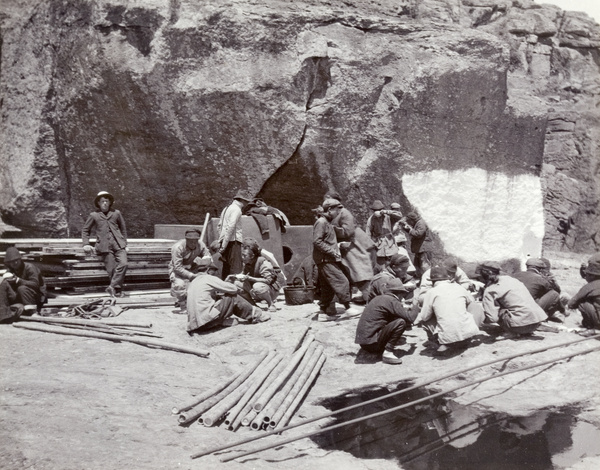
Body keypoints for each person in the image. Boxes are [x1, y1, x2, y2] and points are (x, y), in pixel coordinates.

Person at [313, 199, 361, 322]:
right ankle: (348, 307)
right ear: (329, 210)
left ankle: (323, 313)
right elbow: (317, 241)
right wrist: (332, 251)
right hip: (325, 260)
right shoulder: (321, 222)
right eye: (337, 210)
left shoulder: (327, 223)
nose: (338, 213)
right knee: (342, 281)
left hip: (327, 259)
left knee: (328, 288)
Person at [186, 263, 270, 333]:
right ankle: (256, 315)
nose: (215, 274)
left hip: (196, 326)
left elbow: (215, 295)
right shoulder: (208, 277)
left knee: (220, 299)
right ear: (208, 270)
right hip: (207, 321)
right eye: (214, 272)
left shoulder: (192, 283)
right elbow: (232, 290)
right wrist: (233, 286)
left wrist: (225, 283)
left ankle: (220, 322)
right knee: (232, 297)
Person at [416, 266, 481, 355]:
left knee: (425, 321)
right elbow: (471, 301)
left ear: (433, 281)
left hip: (448, 336)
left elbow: (424, 317)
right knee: (474, 306)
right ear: (447, 278)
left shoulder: (431, 292)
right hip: (468, 332)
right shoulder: (459, 287)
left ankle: (441, 344)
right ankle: (466, 338)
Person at [325, 192, 374, 303]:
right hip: (342, 249)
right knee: (347, 275)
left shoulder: (344, 213)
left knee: (361, 275)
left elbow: (348, 232)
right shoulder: (333, 214)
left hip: (353, 246)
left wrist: (330, 228)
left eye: (328, 201)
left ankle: (370, 302)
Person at [355, 278, 417, 364]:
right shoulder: (391, 300)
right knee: (401, 322)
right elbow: (410, 318)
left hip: (364, 343)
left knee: (395, 319)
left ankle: (385, 345)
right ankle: (388, 353)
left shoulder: (380, 298)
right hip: (372, 345)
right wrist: (416, 306)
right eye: (402, 293)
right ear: (399, 293)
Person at [479, 261, 547, 336]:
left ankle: (512, 331)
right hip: (536, 322)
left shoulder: (490, 290)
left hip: (520, 327)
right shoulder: (512, 280)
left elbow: (493, 319)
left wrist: (482, 318)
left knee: (497, 310)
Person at [82, 191, 128, 297]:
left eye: (107, 201)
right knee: (111, 269)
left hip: (119, 244)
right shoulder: (94, 215)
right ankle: (117, 290)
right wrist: (85, 244)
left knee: (124, 264)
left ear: (110, 202)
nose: (105, 203)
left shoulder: (116, 213)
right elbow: (85, 230)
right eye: (102, 201)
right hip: (104, 246)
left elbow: (123, 229)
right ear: (98, 203)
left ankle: (111, 287)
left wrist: (125, 244)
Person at [168, 229, 212, 312]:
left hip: (192, 267)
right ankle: (183, 306)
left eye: (195, 241)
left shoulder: (200, 245)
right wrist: (191, 276)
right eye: (190, 241)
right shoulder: (178, 248)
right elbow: (177, 267)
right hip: (177, 268)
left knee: (198, 285)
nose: (193, 243)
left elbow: (208, 256)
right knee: (179, 285)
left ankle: (196, 304)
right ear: (186, 240)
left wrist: (206, 265)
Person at [234, 237, 281, 312]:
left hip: (270, 290)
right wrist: (237, 277)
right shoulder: (247, 263)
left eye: (244, 256)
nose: (242, 258)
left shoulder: (263, 262)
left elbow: (269, 280)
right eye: (242, 255)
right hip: (255, 289)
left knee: (257, 286)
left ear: (252, 256)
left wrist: (251, 279)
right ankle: (253, 305)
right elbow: (243, 273)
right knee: (236, 284)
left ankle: (270, 304)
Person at [1, 247, 46, 321]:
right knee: (3, 284)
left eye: (16, 260)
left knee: (21, 288)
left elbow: (36, 285)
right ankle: (4, 312)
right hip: (20, 296)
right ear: (8, 263)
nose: (15, 263)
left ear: (20, 259)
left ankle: (33, 312)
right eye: (12, 261)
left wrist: (18, 280)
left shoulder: (29, 267)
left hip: (36, 296)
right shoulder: (10, 270)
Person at [217, 190, 252, 280]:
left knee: (226, 267)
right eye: (246, 201)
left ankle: (224, 288)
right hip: (234, 242)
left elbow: (219, 226)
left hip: (225, 241)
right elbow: (231, 227)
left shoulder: (226, 208)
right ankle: (233, 290)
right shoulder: (237, 210)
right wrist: (224, 245)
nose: (247, 203)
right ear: (242, 200)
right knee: (236, 268)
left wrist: (221, 242)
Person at [418, 258, 482, 305]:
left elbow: (466, 282)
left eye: (453, 273)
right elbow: (422, 297)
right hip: (437, 300)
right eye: (448, 272)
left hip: (454, 297)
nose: (451, 275)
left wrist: (456, 290)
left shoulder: (456, 270)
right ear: (441, 268)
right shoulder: (428, 274)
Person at [567, 253, 600, 330]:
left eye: (587, 274)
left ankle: (592, 328)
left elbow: (571, 304)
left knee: (583, 303)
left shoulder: (590, 286)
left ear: (593, 275)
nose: (585, 277)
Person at [365, 200, 398, 269]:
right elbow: (368, 233)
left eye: (379, 210)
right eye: (375, 210)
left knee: (394, 262)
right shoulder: (371, 219)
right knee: (381, 264)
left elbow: (399, 215)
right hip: (379, 244)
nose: (377, 211)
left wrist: (386, 212)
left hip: (390, 242)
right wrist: (370, 246)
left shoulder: (388, 216)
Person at [401, 212, 434, 278]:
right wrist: (407, 229)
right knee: (417, 264)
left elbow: (419, 234)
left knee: (424, 265)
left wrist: (410, 229)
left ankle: (427, 279)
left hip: (423, 248)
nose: (409, 223)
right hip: (420, 248)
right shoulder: (418, 223)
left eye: (409, 221)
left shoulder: (421, 223)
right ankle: (421, 278)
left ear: (412, 219)